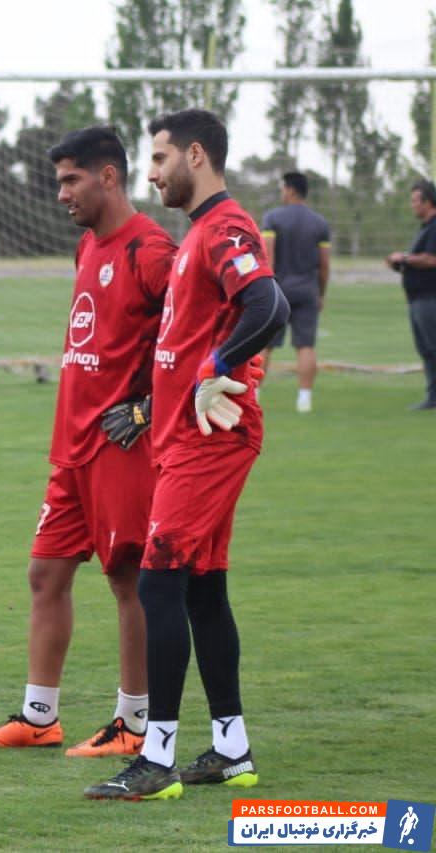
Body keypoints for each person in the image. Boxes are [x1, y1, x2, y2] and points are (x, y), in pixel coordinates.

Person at [85, 109, 289, 801]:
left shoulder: (225, 226)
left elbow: (269, 305)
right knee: (201, 588)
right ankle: (230, 746)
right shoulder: (199, 233)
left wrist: (217, 365)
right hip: (182, 439)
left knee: (157, 580)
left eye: (160, 157)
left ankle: (158, 755)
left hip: (212, 439)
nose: (151, 171)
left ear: (195, 156)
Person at [0, 127, 175, 757]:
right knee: (44, 574)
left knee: (128, 580)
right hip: (73, 447)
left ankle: (133, 725)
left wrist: (149, 406)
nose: (60, 194)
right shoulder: (88, 247)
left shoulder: (153, 250)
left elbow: (198, 338)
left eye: (70, 180)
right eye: (58, 181)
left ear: (109, 176)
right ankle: (38, 716)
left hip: (123, 446)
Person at [260, 171, 331, 413]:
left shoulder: (272, 218)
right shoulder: (320, 223)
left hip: (278, 290)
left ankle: (255, 394)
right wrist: (320, 293)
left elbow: (268, 258)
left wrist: (265, 291)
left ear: (289, 190)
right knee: (305, 346)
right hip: (307, 290)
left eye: (282, 188)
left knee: (265, 345)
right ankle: (304, 399)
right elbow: (324, 266)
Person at [386, 179, 436, 411]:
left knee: (433, 347)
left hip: (430, 298)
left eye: (416, 200)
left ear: (428, 201)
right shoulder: (425, 228)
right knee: (426, 348)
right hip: (418, 298)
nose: (412, 205)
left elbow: (431, 259)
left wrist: (404, 258)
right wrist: (400, 264)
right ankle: (432, 397)